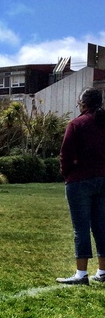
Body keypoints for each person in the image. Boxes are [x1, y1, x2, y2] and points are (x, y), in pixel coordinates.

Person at [56, 87, 105, 285]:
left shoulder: (76, 124)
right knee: (101, 226)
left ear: (83, 104)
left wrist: (67, 173)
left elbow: (65, 154)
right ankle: (102, 271)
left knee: (81, 228)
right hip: (103, 179)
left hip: (79, 180)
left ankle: (81, 273)